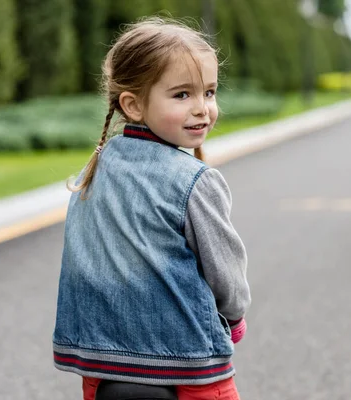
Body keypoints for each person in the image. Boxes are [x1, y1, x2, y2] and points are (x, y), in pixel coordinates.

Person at [52, 17, 251, 400]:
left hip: (101, 361)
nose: (202, 109)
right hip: (187, 366)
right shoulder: (195, 181)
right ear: (134, 104)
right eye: (181, 95)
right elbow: (225, 271)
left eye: (209, 92)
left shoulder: (93, 171)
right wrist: (235, 316)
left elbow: (83, 263)